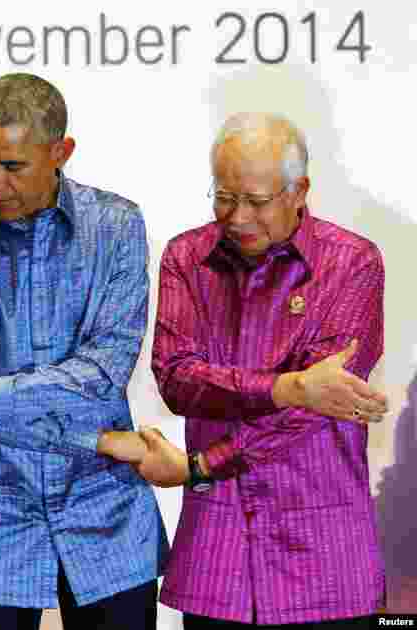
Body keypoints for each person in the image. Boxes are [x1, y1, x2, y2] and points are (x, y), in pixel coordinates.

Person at [0, 73, 167, 630]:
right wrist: (99, 441)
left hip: (107, 511)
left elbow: (102, 373)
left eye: (12, 166)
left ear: (61, 152)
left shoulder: (117, 226)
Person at [138, 112, 387, 628]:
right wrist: (289, 386)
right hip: (218, 558)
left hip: (325, 559)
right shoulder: (187, 258)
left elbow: (316, 410)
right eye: (224, 197)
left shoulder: (353, 263)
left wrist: (201, 465)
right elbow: (178, 380)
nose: (237, 217)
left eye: (255, 201)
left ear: (300, 191)